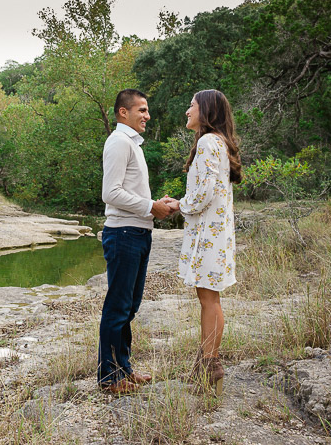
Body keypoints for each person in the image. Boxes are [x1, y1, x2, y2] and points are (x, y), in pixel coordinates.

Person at [98, 88, 176, 394]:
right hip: (123, 234)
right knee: (117, 308)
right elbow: (110, 193)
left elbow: (127, 192)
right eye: (141, 110)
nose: (147, 115)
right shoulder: (118, 142)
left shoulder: (133, 144)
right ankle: (109, 378)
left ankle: (123, 369)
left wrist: (154, 203)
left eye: (147, 110)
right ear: (123, 113)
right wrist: (150, 207)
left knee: (128, 307)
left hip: (138, 232)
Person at [165, 89, 242, 396]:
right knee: (211, 298)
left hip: (210, 235)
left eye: (192, 106)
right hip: (214, 233)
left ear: (206, 111)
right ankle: (208, 360)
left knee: (208, 299)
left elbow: (206, 190)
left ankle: (210, 363)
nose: (187, 111)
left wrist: (178, 205)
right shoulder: (217, 142)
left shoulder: (209, 142)